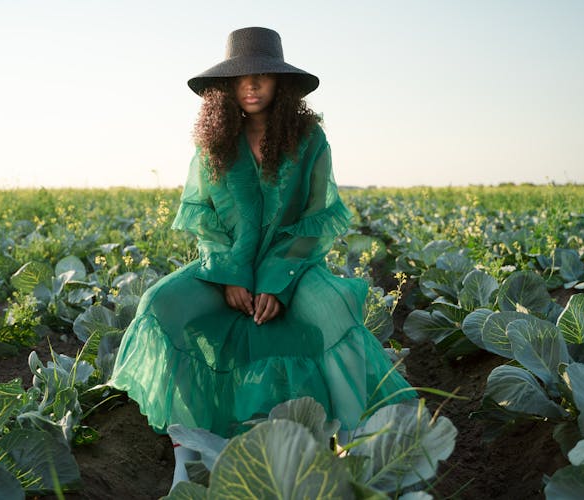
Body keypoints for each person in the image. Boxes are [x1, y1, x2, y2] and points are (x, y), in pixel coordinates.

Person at [109, 26, 416, 490]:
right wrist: (230, 275)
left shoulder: (310, 140)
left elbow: (316, 218)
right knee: (160, 304)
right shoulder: (213, 142)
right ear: (226, 87)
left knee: (335, 311)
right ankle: (188, 452)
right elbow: (204, 219)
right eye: (241, 77)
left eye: (262, 76)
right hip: (225, 267)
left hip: (292, 266)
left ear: (282, 85)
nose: (251, 86)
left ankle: (354, 448)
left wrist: (276, 280)